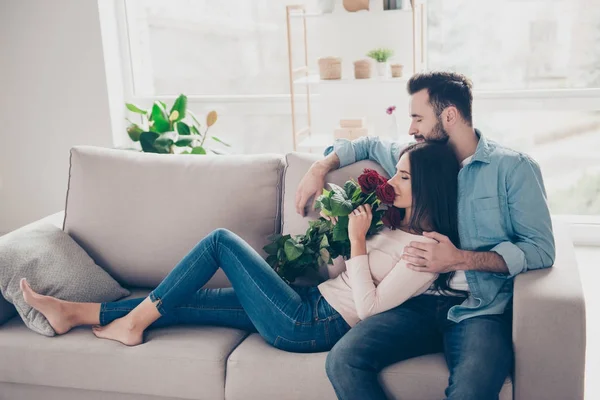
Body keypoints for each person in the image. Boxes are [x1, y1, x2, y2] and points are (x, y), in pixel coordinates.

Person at [20, 142, 461, 354]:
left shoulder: (426, 254)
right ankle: (74, 313)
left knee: (220, 242)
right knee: (190, 300)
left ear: (428, 186)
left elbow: (368, 310)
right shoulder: (391, 221)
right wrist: (342, 238)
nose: (391, 182)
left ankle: (129, 324)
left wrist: (361, 243)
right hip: (310, 302)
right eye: (397, 173)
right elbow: (340, 279)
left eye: (403, 177)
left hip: (313, 327)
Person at [295, 71, 555, 399]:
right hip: (411, 302)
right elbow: (365, 144)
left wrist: (460, 259)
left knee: (471, 389)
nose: (411, 129)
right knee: (344, 360)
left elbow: (541, 250)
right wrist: (319, 168)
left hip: (477, 308)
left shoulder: (513, 169)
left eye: (418, 118)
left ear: (449, 116)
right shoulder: (416, 156)